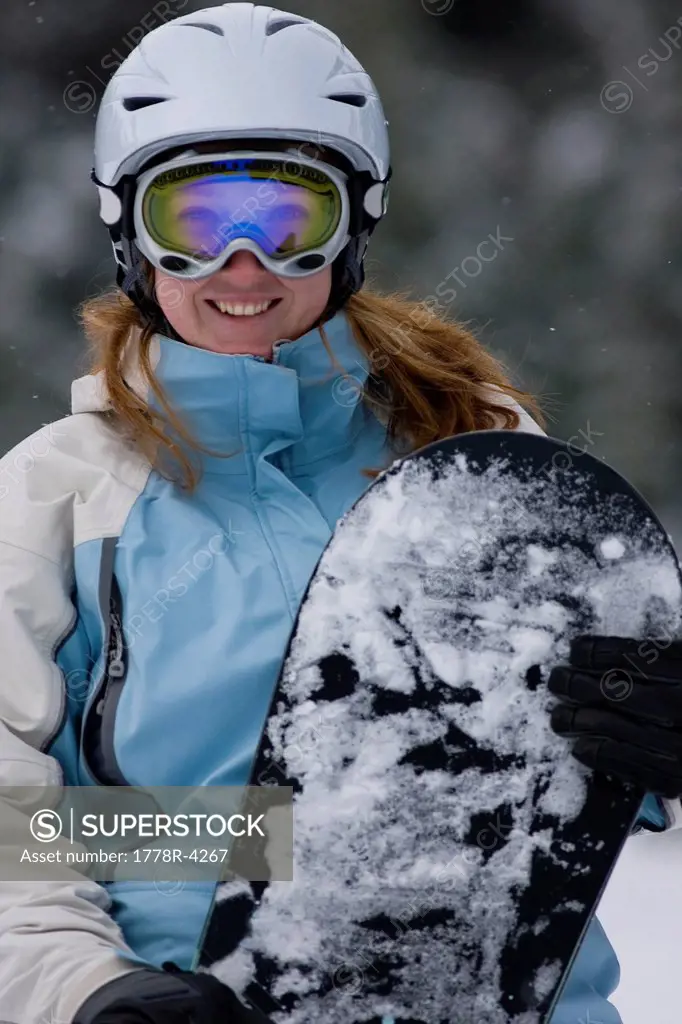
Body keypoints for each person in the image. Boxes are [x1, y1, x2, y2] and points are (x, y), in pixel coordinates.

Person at [1, 4, 681, 1024]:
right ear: (127, 232)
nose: (244, 262)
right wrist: (93, 988)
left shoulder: (476, 458)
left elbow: (547, 787)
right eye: (192, 221)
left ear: (353, 226)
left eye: (288, 219)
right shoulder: (53, 499)